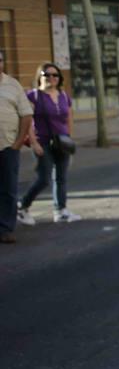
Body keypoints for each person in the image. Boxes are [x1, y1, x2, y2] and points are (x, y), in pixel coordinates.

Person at [17, 62, 79, 224]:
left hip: (62, 141)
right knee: (44, 178)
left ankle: (60, 211)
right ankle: (22, 206)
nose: (51, 78)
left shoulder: (63, 95)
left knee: (61, 177)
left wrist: (69, 137)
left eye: (55, 75)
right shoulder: (33, 96)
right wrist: (33, 141)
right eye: (47, 75)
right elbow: (27, 120)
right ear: (40, 77)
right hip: (42, 141)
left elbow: (69, 118)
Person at [0, 49, 35, 244]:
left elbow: (26, 115)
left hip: (8, 146)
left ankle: (5, 228)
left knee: (8, 189)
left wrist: (18, 143)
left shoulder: (13, 85)